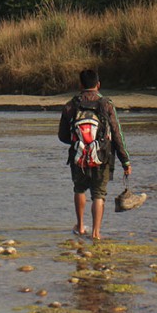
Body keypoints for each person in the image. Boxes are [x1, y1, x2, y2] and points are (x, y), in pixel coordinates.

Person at [58, 69, 131, 240]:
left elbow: (62, 136)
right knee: (99, 194)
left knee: (79, 189)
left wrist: (79, 144)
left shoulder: (70, 105)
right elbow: (117, 134)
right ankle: (96, 233)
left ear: (80, 85)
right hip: (103, 156)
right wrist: (125, 161)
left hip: (78, 156)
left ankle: (81, 226)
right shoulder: (106, 104)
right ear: (98, 85)